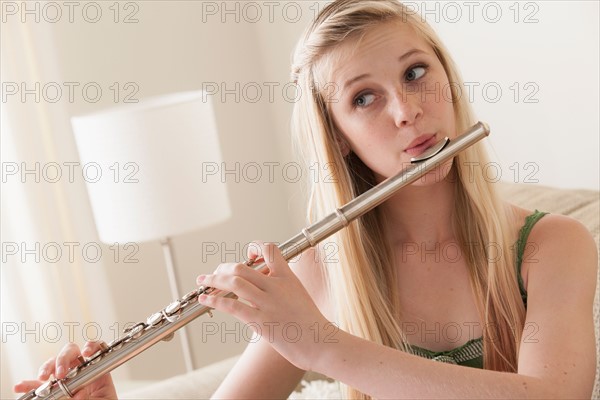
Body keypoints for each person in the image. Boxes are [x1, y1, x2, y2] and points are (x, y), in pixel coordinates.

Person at [15, 0, 597, 398]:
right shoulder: (322, 271)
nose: (405, 110)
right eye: (364, 99)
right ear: (338, 138)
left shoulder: (552, 246)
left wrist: (322, 346)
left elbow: (555, 396)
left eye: (416, 73)